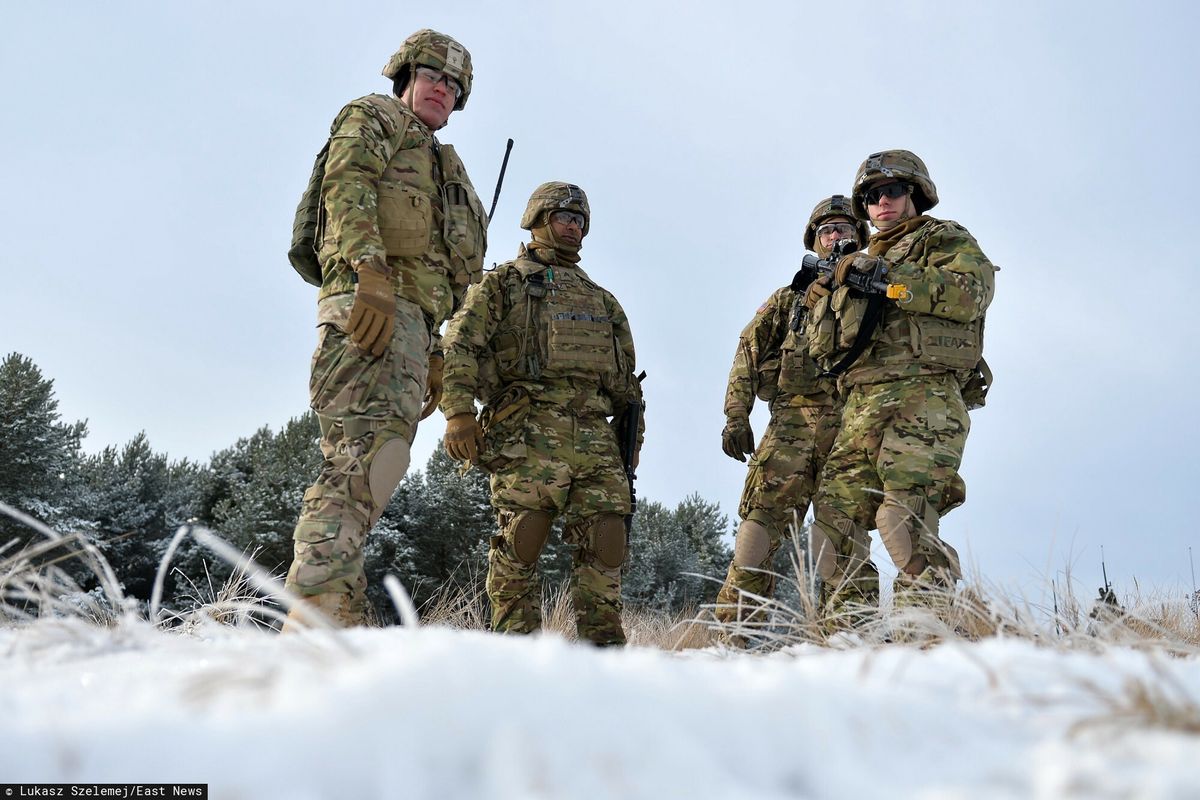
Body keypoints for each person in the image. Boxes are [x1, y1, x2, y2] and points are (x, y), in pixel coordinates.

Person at [283, 30, 487, 628]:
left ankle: (337, 603)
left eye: (454, 86)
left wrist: (438, 351)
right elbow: (347, 184)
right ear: (405, 75)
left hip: (413, 328)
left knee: (378, 466)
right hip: (369, 305)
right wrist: (368, 269)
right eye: (434, 76)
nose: (442, 91)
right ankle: (315, 612)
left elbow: (448, 269)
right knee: (358, 460)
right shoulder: (374, 116)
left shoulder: (445, 165)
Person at [439, 182, 644, 646]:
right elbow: (461, 345)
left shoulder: (602, 299)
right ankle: (515, 653)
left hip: (596, 439)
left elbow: (626, 383)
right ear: (537, 219)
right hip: (528, 429)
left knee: (607, 544)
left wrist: (632, 444)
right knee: (521, 543)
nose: (572, 226)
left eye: (579, 220)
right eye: (563, 216)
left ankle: (604, 652)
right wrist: (458, 413)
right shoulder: (502, 282)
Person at [806, 150, 995, 606]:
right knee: (832, 528)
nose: (881, 202)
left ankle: (926, 641)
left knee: (904, 523)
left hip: (923, 398)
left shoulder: (942, 237)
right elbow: (823, 348)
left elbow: (971, 292)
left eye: (891, 191)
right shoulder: (854, 259)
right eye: (871, 196)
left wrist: (889, 276)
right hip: (859, 408)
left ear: (914, 194)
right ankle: (848, 644)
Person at [715, 196, 876, 636]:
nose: (836, 237)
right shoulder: (790, 298)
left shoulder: (879, 293)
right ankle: (737, 642)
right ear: (815, 241)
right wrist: (736, 416)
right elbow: (748, 351)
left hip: (851, 429)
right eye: (828, 231)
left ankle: (849, 645)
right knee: (755, 538)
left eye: (845, 229)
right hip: (789, 428)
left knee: (842, 542)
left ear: (860, 238)